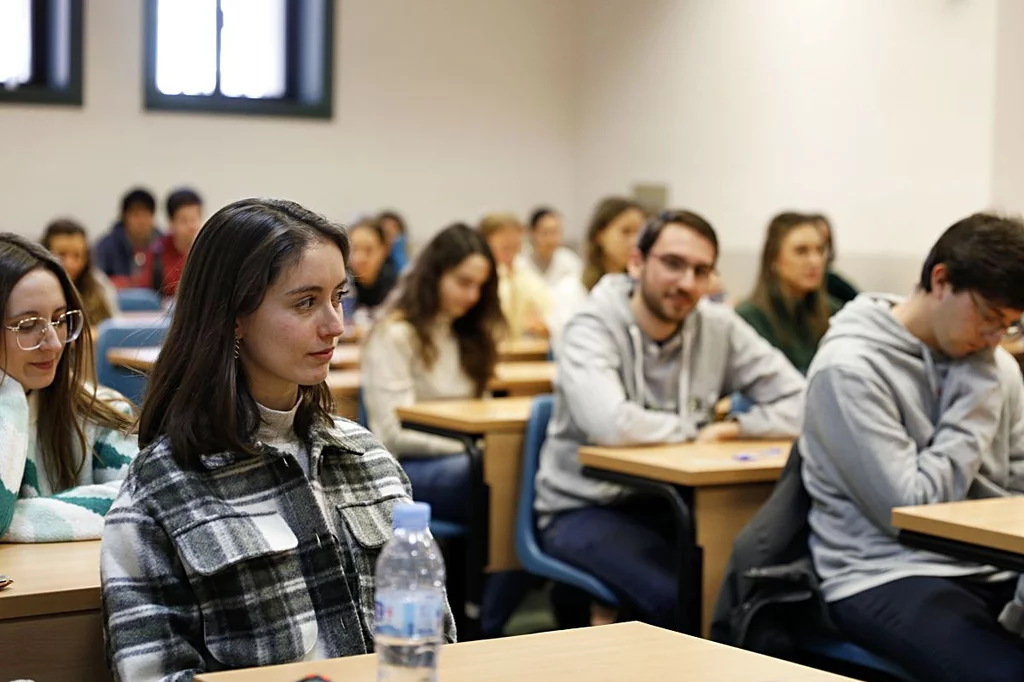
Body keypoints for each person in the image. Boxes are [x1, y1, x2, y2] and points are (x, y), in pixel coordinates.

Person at [101, 198, 454, 679]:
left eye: (338, 296)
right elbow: (153, 674)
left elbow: (437, 647)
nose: (336, 325)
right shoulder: (163, 486)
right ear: (234, 317)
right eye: (306, 302)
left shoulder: (367, 458)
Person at [534, 210, 806, 628]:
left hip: (675, 501)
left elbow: (803, 400)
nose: (687, 283)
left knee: (750, 581)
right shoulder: (590, 326)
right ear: (637, 262)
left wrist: (738, 428)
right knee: (682, 597)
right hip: (585, 506)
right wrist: (696, 429)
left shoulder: (717, 327)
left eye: (701, 271)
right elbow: (611, 425)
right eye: (673, 264)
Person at [800, 213, 1024, 681]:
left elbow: (1019, 478)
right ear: (940, 280)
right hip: (882, 571)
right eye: (987, 318)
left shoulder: (996, 365)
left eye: (1008, 326)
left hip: (988, 564)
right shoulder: (849, 368)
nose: (992, 339)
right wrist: (974, 400)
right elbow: (910, 509)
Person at [362, 223, 526, 636]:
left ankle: (489, 610)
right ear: (434, 273)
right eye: (463, 282)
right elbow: (388, 434)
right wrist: (468, 444)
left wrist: (482, 444)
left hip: (466, 463)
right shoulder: (395, 334)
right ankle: (481, 615)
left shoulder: (468, 335)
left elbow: (482, 412)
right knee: (495, 475)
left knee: (515, 475)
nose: (471, 296)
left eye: (480, 286)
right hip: (406, 468)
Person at [0, 234, 137, 542]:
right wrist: (8, 398)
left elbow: (143, 494)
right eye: (27, 325)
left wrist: (15, 520)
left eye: (60, 320)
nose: (53, 342)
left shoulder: (99, 408)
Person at [736, 212, 841, 374]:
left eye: (820, 250)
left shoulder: (834, 314)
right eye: (801, 251)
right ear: (774, 259)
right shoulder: (748, 319)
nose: (815, 261)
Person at [548, 197, 646, 340]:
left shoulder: (644, 291)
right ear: (600, 235)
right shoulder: (571, 291)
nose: (635, 241)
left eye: (640, 233)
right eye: (626, 232)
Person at [479, 212, 552, 339]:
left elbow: (547, 310)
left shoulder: (525, 275)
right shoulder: (478, 280)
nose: (511, 255)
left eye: (516, 248)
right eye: (505, 248)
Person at [41, 219, 120, 326]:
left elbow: (113, 327)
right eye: (61, 255)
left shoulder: (99, 284)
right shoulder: (33, 288)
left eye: (77, 256)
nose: (70, 263)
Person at [93, 187, 162, 288]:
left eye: (146, 215)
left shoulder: (162, 244)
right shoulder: (105, 247)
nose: (141, 221)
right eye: (136, 215)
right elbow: (97, 281)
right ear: (124, 217)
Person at [142, 187, 203, 297]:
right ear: (171, 222)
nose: (191, 226)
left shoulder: (204, 251)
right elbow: (148, 292)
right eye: (183, 221)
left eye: (194, 219)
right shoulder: (157, 252)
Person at [347, 217, 398, 331]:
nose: (360, 258)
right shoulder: (341, 284)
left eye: (368, 250)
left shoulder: (397, 287)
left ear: (384, 250)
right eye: (354, 249)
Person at [515, 207, 582, 289]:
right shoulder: (519, 264)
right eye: (545, 233)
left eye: (555, 232)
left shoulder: (569, 262)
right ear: (532, 233)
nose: (551, 240)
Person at [811, 213, 858, 305]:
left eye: (825, 241)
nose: (814, 260)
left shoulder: (830, 280)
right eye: (801, 251)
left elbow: (860, 298)